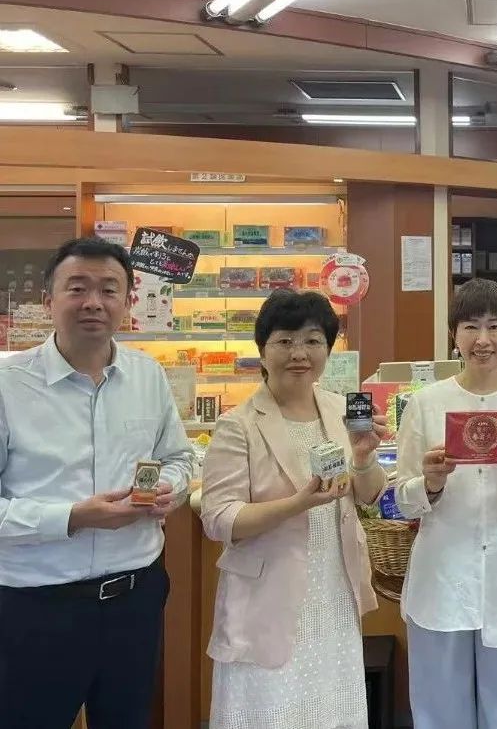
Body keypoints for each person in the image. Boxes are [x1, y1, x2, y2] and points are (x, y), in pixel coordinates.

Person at [0, 237, 194, 729]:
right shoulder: (7, 384)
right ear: (48, 300)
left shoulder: (148, 376)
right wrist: (72, 517)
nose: (93, 302)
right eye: (77, 288)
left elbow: (178, 457)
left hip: (134, 598)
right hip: (36, 606)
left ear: (128, 301)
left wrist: (168, 489)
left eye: (109, 289)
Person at [201, 289, 388, 729]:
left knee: (330, 707)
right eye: (285, 341)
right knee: (271, 709)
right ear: (262, 350)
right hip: (267, 593)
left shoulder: (341, 410)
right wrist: (297, 504)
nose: (299, 353)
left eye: (313, 341)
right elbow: (220, 519)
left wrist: (364, 458)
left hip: (333, 587)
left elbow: (369, 497)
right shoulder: (238, 424)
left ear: (328, 348)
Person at [395, 278, 497, 729]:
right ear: (454, 334)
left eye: (495, 326)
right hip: (441, 576)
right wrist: (428, 484)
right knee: (439, 709)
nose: (482, 339)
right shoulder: (425, 404)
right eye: (470, 326)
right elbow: (401, 500)